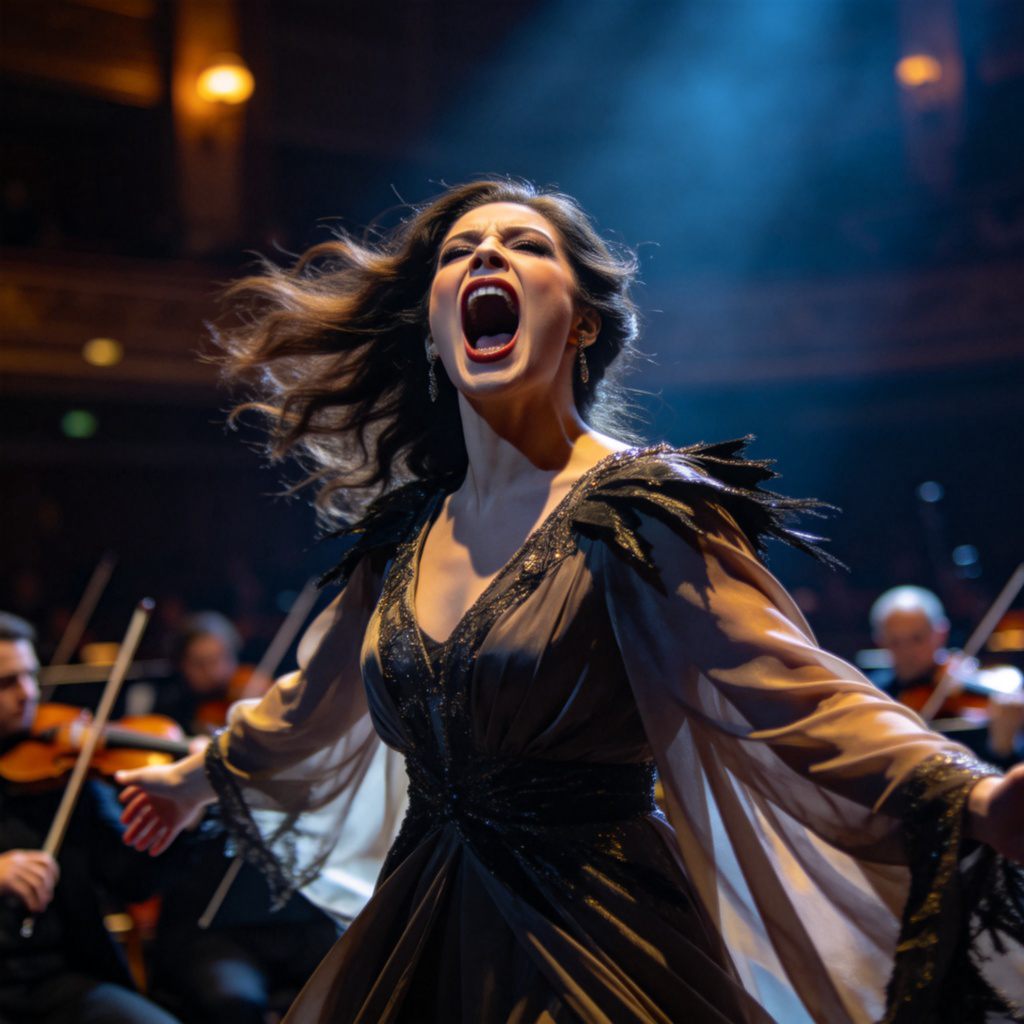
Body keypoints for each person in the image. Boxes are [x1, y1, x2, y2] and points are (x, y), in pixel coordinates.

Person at [115, 178, 1024, 1024]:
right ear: (433, 328)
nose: (485, 258)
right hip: (425, 918)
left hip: (601, 931)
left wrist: (971, 796)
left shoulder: (645, 510)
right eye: (459, 250)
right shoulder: (399, 538)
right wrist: (193, 780)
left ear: (583, 323)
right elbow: (308, 702)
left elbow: (794, 688)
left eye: (523, 245)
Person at [0, 611, 182, 1024]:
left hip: (55, 980)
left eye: (30, 676)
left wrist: (176, 819)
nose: (27, 693)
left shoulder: (63, 773)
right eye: (6, 683)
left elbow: (133, 879)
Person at [870, 585, 1024, 768]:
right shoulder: (875, 696)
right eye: (895, 641)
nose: (907, 651)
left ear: (941, 633)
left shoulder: (968, 697)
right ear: (880, 641)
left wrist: (1003, 745)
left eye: (917, 638)